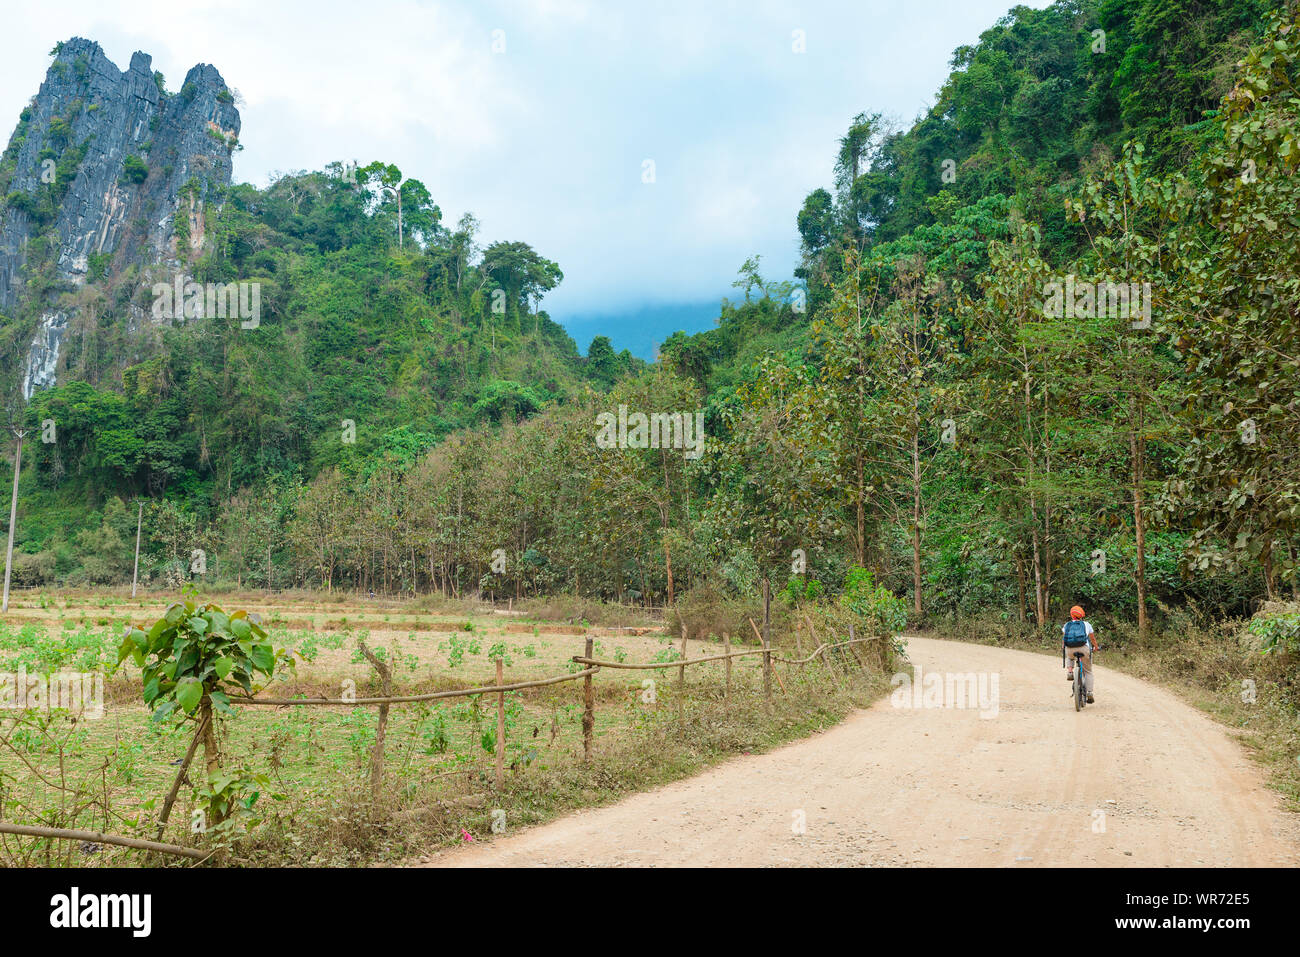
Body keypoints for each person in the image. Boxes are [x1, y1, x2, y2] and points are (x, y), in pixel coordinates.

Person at [1062, 605, 1098, 703]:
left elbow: (1064, 639)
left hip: (1070, 650)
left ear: (1071, 615)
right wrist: (1096, 647)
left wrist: (1064, 647)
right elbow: (1092, 638)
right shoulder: (1087, 624)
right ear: (1081, 616)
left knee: (1069, 655)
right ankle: (1090, 692)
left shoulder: (1067, 625)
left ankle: (1070, 671)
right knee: (1088, 671)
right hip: (1084, 648)